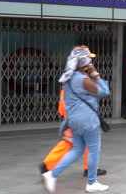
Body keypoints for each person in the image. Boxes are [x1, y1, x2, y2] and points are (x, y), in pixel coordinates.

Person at [42, 46, 110, 193]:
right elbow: (105, 91)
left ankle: (52, 174)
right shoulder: (84, 80)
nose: (91, 63)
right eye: (89, 60)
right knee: (93, 151)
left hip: (74, 121)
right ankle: (92, 183)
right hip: (88, 122)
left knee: (77, 150)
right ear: (84, 63)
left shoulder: (67, 79)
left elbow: (68, 102)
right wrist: (96, 75)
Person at [39, 82, 107, 177]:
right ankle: (48, 164)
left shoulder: (67, 86)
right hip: (78, 118)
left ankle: (89, 168)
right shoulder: (79, 83)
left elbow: (62, 109)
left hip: (73, 117)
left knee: (83, 143)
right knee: (69, 142)